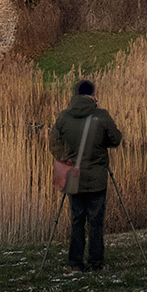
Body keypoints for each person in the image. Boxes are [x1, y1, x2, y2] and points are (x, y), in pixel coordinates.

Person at [51, 79, 123, 271]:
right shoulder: (101, 116)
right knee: (96, 222)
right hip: (97, 178)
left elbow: (54, 143)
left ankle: (75, 263)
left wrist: (65, 158)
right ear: (93, 94)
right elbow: (115, 140)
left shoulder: (64, 117)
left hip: (73, 178)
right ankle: (95, 263)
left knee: (76, 221)